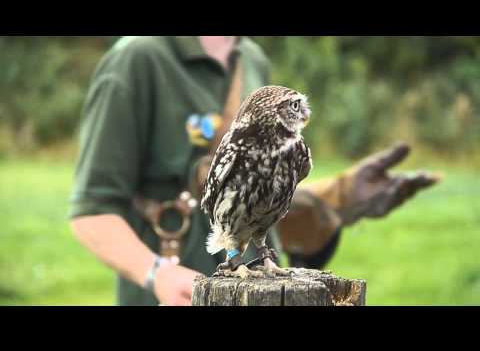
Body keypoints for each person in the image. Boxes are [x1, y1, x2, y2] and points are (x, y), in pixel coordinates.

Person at [69, 36, 439, 306]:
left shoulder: (251, 56)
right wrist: (159, 275)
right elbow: (91, 211)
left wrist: (334, 201)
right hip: (175, 294)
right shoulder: (137, 59)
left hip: (262, 289)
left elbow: (255, 180)